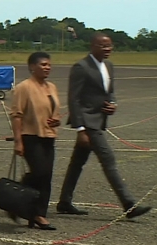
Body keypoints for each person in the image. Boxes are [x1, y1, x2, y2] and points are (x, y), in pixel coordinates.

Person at [56, 33, 152, 219]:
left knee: (77, 163)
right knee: (109, 161)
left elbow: (110, 92)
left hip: (99, 121)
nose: (107, 49)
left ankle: (64, 202)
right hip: (88, 123)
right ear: (93, 46)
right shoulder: (81, 67)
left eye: (109, 46)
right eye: (103, 45)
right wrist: (80, 129)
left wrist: (112, 104)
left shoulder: (108, 66)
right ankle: (128, 204)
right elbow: (73, 100)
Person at [9, 52, 60, 230]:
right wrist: (18, 141)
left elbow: (53, 111)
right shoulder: (24, 87)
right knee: (40, 173)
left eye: (49, 65)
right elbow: (16, 116)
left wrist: (56, 120)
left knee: (46, 176)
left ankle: (38, 214)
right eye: (43, 64)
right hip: (30, 136)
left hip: (49, 135)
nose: (47, 67)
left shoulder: (51, 87)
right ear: (32, 67)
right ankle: (20, 203)